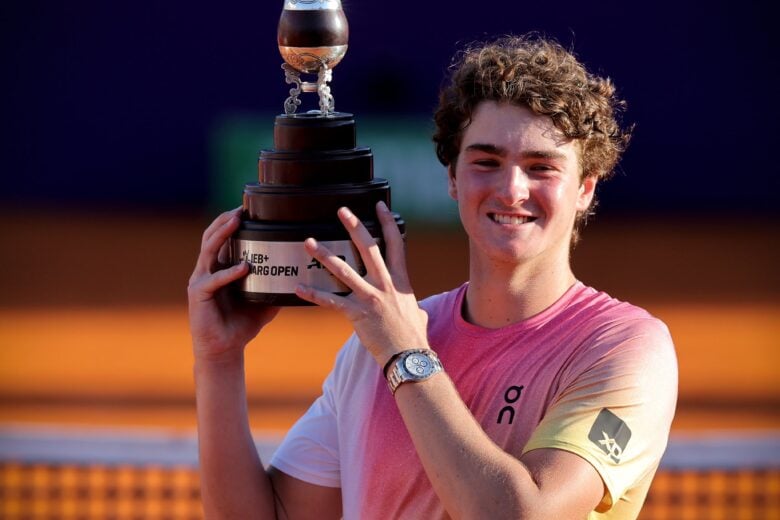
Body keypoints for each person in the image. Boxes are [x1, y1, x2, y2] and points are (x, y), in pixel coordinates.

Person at [188, 34, 677, 519]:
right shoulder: (373, 344)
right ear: (452, 178)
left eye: (541, 167)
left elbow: (520, 515)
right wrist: (219, 359)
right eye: (486, 162)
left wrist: (404, 353)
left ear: (586, 188)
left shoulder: (624, 348)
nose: (511, 189)